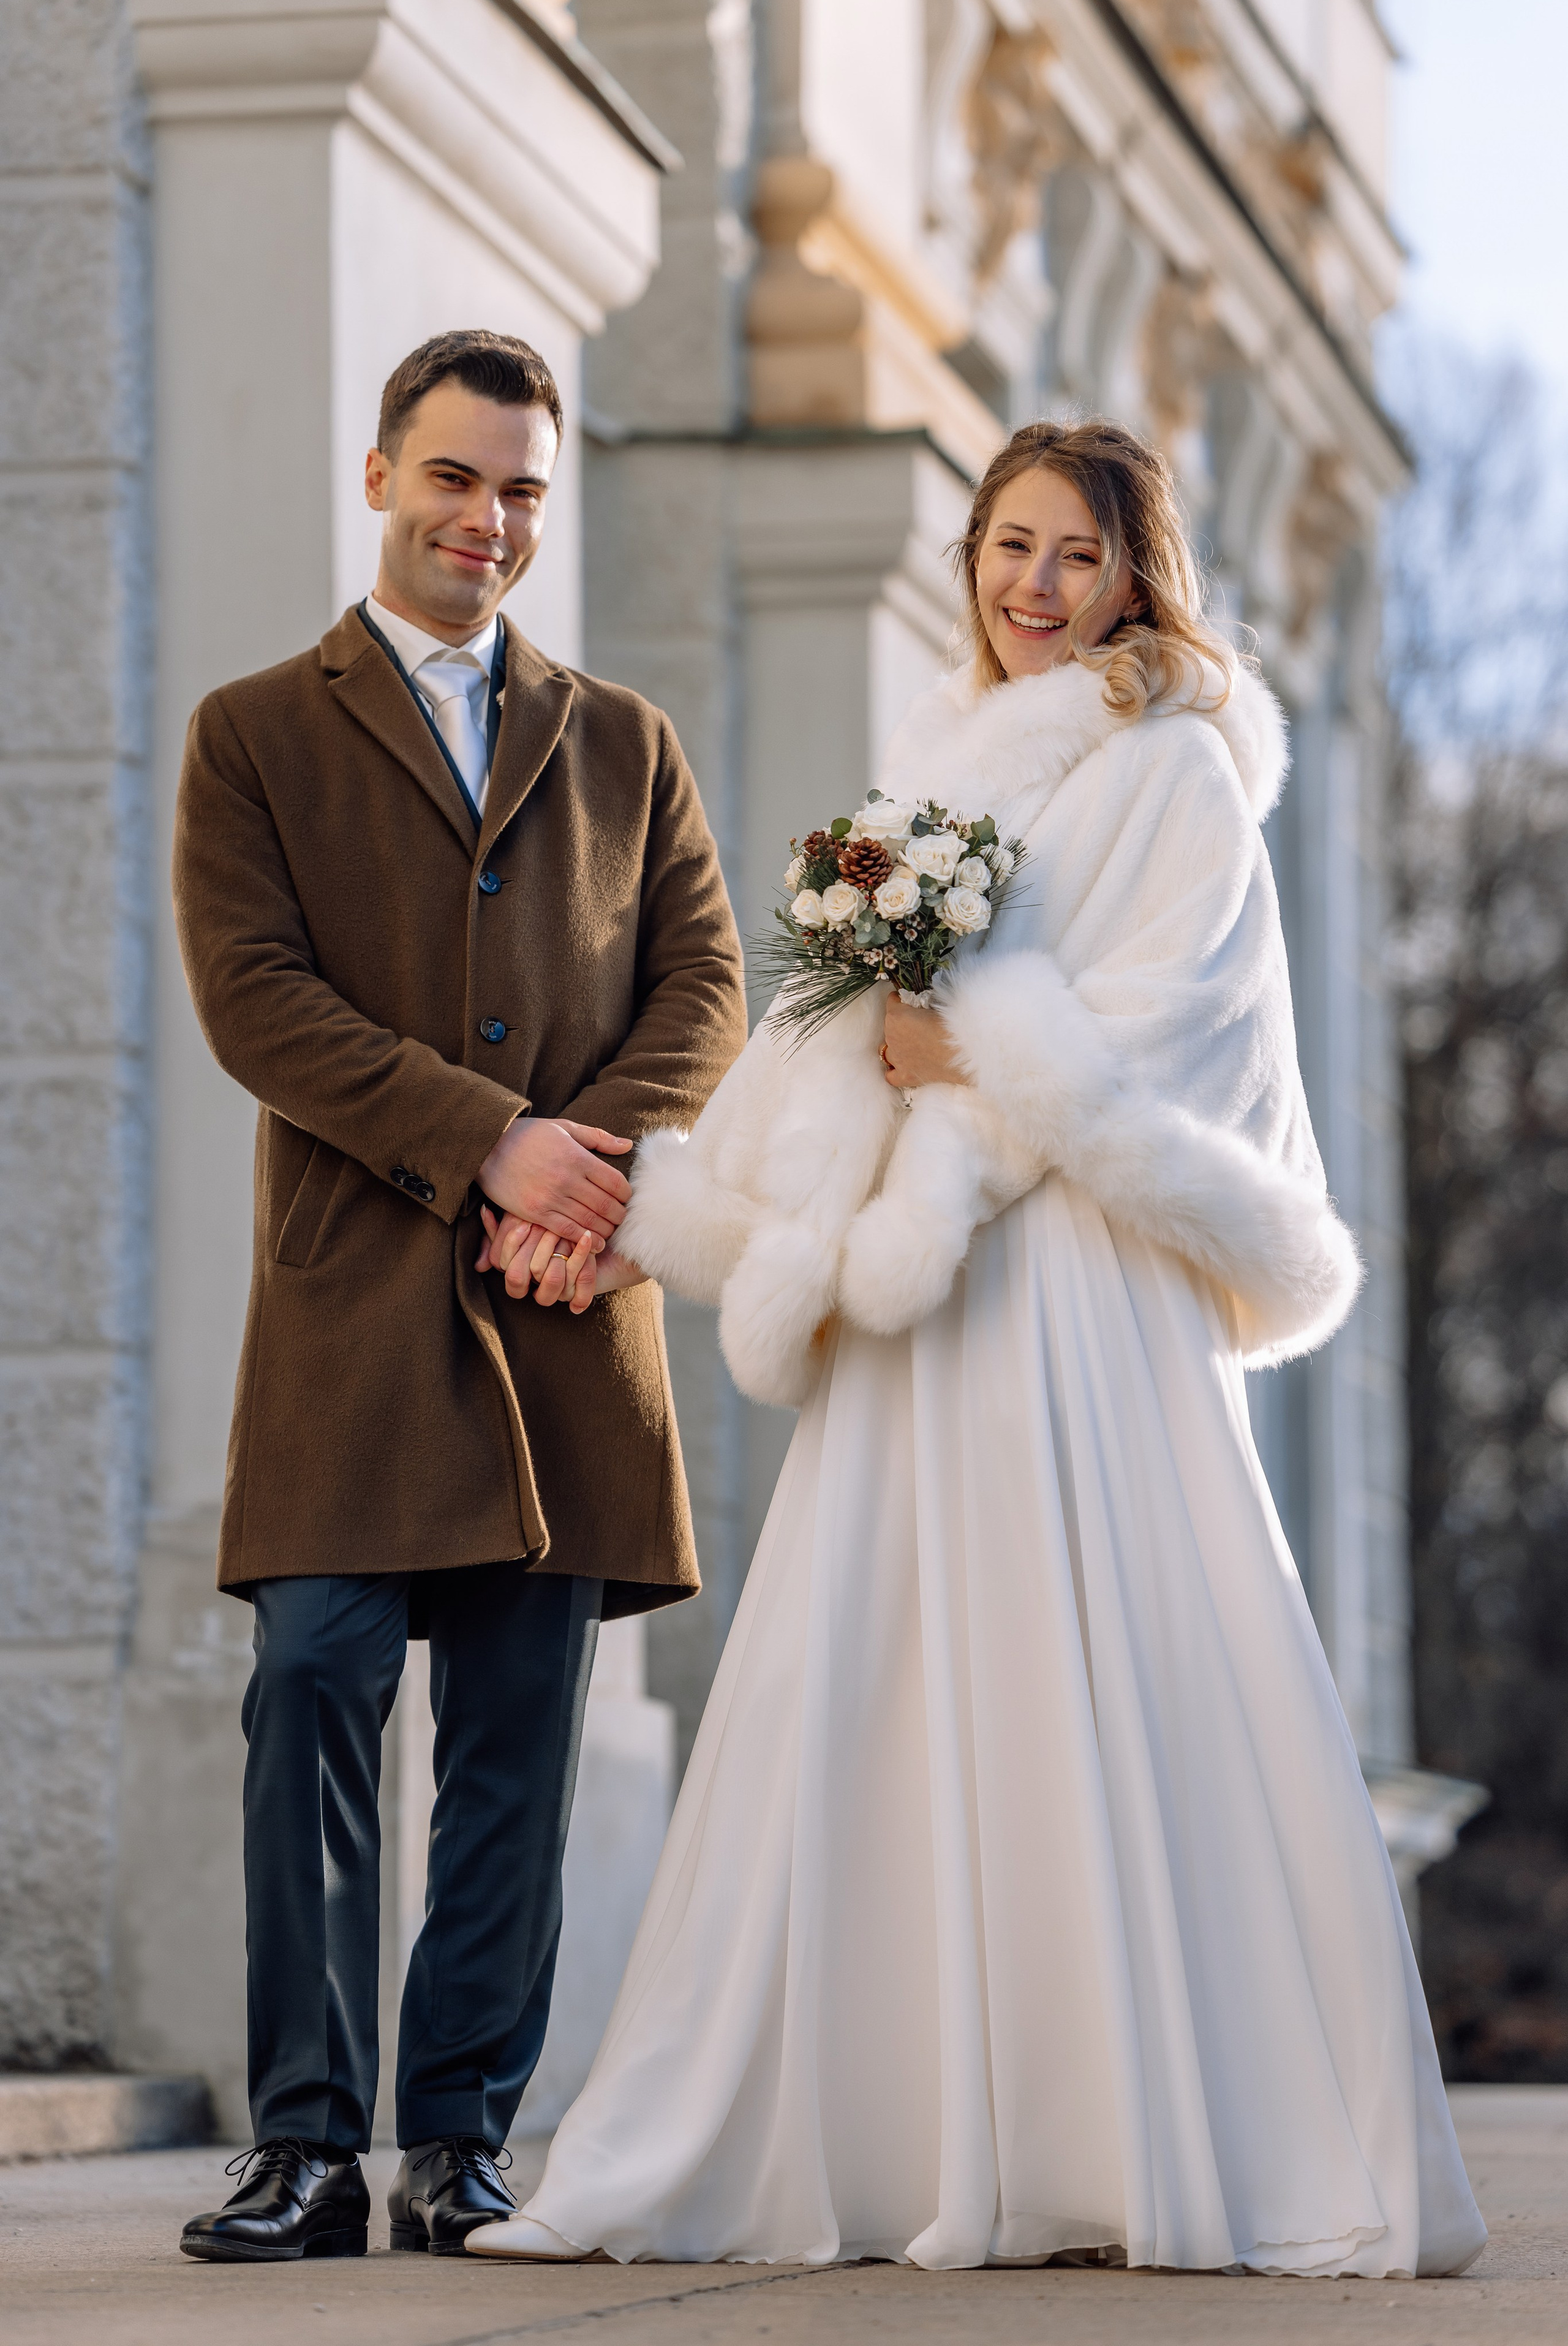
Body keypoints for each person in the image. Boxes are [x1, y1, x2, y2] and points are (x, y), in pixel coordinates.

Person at [471, 418, 1488, 2279]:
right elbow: (812, 1051)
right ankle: (870, 2134)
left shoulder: (1176, 771)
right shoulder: (932, 779)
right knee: (870, 1679)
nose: (1034, 584)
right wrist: (652, 1205)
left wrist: (975, 1053)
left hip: (1075, 1291)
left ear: (1134, 572)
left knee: (1093, 1665)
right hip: (907, 1312)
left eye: (1075, 553)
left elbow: (1171, 1035)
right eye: (1008, 544)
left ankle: (1129, 2136)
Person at [173, 330, 747, 2262]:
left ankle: (461, 2142)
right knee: (315, 1685)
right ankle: (307, 2144)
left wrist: (581, 1179)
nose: (485, 521)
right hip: (349, 1309)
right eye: (453, 478)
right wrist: (486, 1140)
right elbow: (257, 1001)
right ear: (379, 477)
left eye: (517, 490)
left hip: (567, 1309)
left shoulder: (626, 741)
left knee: (519, 1738)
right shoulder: (255, 731)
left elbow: (706, 992)